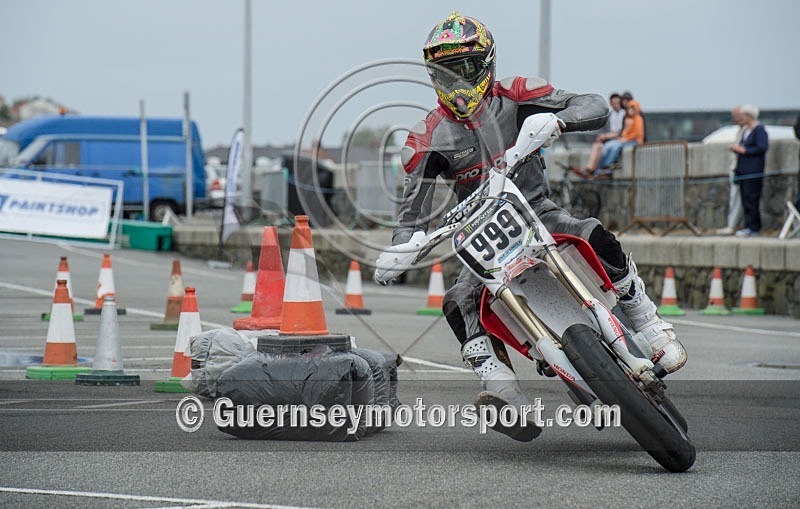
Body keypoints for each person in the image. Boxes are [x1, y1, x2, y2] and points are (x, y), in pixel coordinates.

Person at [375, 12, 687, 441]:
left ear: (486, 63)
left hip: (537, 210)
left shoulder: (517, 94)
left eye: (465, 67)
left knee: (593, 232)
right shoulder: (427, 137)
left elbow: (593, 104)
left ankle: (646, 320)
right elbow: (411, 212)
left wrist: (558, 121)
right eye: (446, 71)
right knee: (458, 300)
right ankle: (502, 388)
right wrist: (400, 248)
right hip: (480, 233)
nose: (457, 80)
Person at [575, 95, 645, 178]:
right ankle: (596, 169)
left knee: (615, 146)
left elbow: (636, 134)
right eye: (630, 108)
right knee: (605, 146)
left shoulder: (637, 119)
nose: (630, 111)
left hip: (632, 141)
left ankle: (606, 166)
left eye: (632, 109)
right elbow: (624, 132)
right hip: (622, 139)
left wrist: (623, 138)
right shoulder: (620, 117)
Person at [730, 104, 768, 237]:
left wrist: (744, 150)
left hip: (753, 170)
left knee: (752, 199)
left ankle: (753, 227)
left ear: (749, 116)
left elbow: (762, 147)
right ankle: (748, 225)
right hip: (742, 170)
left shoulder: (759, 130)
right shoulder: (745, 131)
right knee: (745, 199)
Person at [715, 106, 746, 235]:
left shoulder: (751, 130)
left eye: (738, 116)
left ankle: (736, 225)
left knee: (741, 199)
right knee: (735, 198)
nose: (736, 119)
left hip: (745, 170)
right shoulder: (741, 130)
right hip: (736, 168)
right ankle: (733, 224)